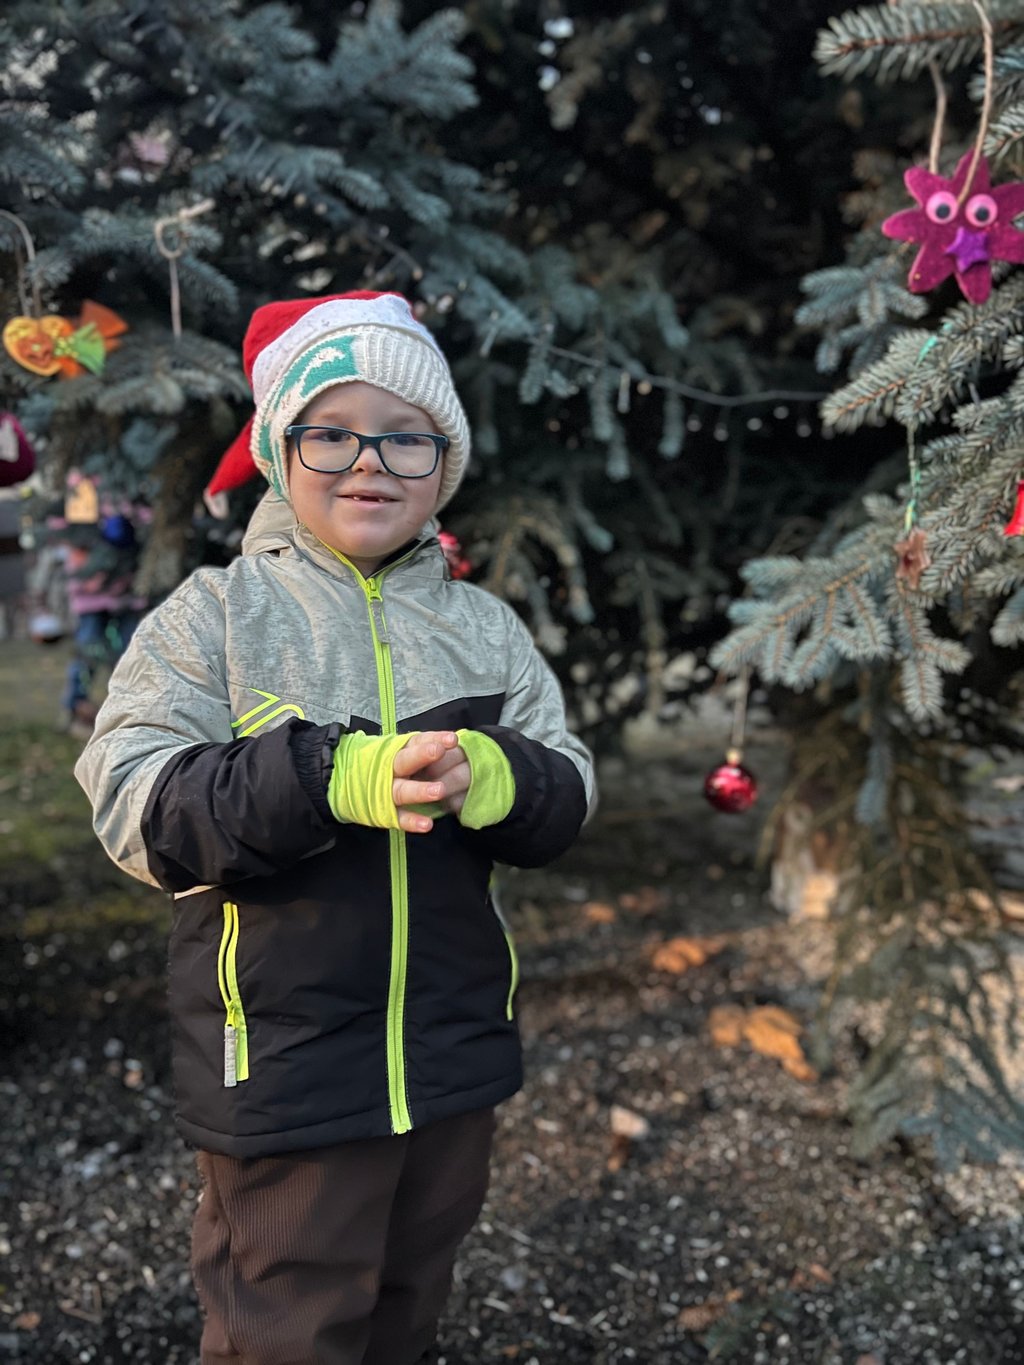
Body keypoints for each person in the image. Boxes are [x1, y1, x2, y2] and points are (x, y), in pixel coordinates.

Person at [75, 290, 596, 1365]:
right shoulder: (217, 616)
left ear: (443, 465)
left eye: (407, 438)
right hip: (285, 1065)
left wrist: (494, 774)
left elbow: (569, 785)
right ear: (281, 449)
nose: (370, 462)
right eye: (332, 432)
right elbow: (135, 801)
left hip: (450, 1056)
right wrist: (324, 775)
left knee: (409, 1304)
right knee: (287, 1324)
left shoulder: (485, 629)